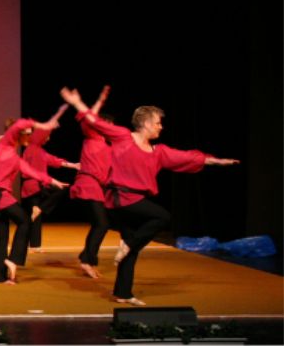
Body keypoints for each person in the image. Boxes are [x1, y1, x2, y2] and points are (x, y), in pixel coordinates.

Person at [60, 86, 239, 306]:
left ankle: (123, 293)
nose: (160, 127)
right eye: (157, 123)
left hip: (132, 201)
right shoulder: (124, 137)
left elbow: (186, 157)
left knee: (130, 250)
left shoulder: (158, 152)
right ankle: (129, 245)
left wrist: (216, 161)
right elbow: (96, 123)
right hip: (120, 199)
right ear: (145, 123)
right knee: (162, 217)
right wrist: (77, 103)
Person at [0, 114, 68, 284]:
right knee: (25, 221)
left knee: (2, 234)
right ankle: (13, 260)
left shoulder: (14, 156)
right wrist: (44, 124)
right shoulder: (4, 146)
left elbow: (32, 171)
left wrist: (53, 181)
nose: (29, 136)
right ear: (17, 134)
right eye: (27, 133)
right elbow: (17, 126)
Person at [18, 104, 80, 253]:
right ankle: (33, 241)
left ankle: (34, 246)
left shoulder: (41, 152)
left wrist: (74, 165)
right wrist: (55, 119)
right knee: (57, 192)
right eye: (46, 136)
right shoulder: (33, 147)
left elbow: (56, 161)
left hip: (35, 186)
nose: (48, 138)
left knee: (35, 216)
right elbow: (42, 131)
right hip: (33, 185)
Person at [68, 85, 114, 279]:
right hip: (88, 185)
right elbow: (89, 118)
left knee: (99, 224)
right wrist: (100, 100)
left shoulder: (109, 147)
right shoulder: (92, 136)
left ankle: (86, 258)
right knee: (101, 224)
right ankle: (87, 260)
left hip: (98, 188)